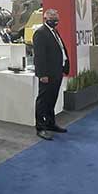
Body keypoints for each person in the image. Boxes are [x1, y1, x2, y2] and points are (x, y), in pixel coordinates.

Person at [32, 8, 70, 141]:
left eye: (56, 17)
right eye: (52, 18)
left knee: (52, 99)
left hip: (57, 71)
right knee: (43, 101)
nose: (55, 20)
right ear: (45, 19)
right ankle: (40, 127)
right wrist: (42, 74)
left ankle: (50, 123)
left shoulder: (54, 31)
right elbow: (39, 56)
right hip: (47, 74)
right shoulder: (40, 33)